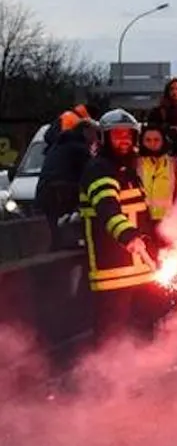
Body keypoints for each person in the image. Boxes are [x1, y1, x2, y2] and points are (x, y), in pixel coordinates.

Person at [79, 109, 166, 343]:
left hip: (140, 271)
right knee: (111, 336)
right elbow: (107, 208)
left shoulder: (127, 170)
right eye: (117, 135)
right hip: (113, 272)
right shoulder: (100, 169)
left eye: (128, 135)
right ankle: (107, 378)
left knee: (146, 331)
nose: (124, 140)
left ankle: (146, 374)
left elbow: (141, 215)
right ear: (104, 138)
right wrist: (128, 236)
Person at [36, 114, 99, 250]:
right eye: (95, 134)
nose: (96, 138)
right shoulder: (79, 148)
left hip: (45, 190)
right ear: (86, 132)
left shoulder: (59, 144)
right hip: (62, 191)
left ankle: (58, 246)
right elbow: (91, 172)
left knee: (55, 230)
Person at [137, 124, 177, 231]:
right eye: (148, 140)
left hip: (167, 225)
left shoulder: (174, 165)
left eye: (156, 140)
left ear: (163, 141)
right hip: (140, 223)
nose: (152, 144)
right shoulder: (135, 164)